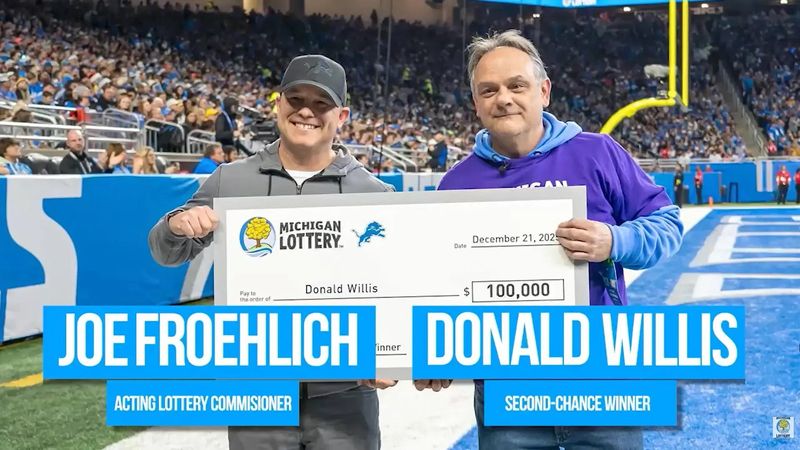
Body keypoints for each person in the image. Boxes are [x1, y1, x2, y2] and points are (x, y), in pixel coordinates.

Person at [418, 30, 683, 450]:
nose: (503, 98)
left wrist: (614, 240)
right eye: (489, 90)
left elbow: (667, 224)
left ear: (544, 91)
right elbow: (442, 283)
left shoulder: (597, 153)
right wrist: (436, 350)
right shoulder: (457, 183)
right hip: (508, 385)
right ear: (475, 103)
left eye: (516, 85)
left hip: (600, 377)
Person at [148, 54, 395, 450]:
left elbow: (393, 288)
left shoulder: (374, 193)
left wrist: (392, 354)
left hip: (346, 396)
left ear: (342, 116)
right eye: (295, 99)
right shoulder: (231, 179)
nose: (306, 113)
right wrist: (176, 225)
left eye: (321, 104)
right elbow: (166, 253)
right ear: (278, 104)